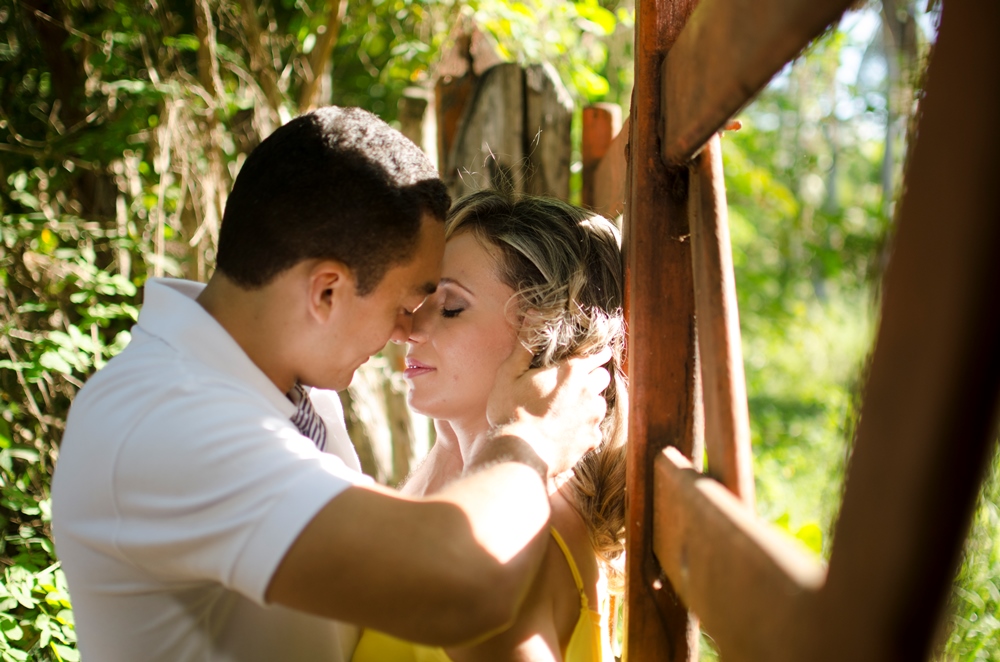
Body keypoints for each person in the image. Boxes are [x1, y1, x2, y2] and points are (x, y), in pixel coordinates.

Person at [50, 107, 611, 662]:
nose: (406, 329)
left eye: (442, 306)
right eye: (404, 302)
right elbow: (457, 583)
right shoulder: (167, 421)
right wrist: (528, 435)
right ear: (326, 293)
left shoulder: (295, 383)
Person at [351, 189, 627, 661]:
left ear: (545, 338)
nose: (410, 330)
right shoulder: (460, 482)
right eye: (419, 301)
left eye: (452, 307)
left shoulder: (519, 542)